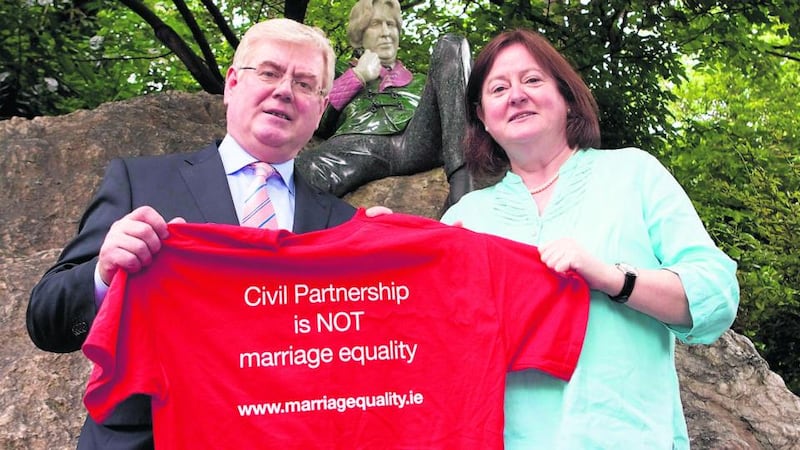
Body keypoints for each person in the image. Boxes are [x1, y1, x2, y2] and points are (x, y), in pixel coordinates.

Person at [26, 18, 368, 450]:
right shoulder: (139, 182)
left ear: (321, 108)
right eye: (268, 72)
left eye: (305, 83)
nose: (284, 90)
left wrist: (390, 261)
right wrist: (103, 274)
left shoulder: (343, 224)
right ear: (231, 85)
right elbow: (47, 323)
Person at [440, 29, 740, 449]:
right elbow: (430, 343)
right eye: (499, 88)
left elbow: (716, 296)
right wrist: (383, 250)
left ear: (566, 98)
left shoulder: (634, 174)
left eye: (533, 80)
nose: (517, 95)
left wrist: (613, 278)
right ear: (483, 118)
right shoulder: (464, 219)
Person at [295, 0, 473, 210]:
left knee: (451, 44)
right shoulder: (338, 70)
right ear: (359, 35)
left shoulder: (423, 81)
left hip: (419, 138)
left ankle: (464, 191)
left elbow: (455, 112)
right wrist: (358, 76)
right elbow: (316, 117)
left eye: (391, 24)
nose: (386, 32)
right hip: (360, 142)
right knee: (303, 170)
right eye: (376, 24)